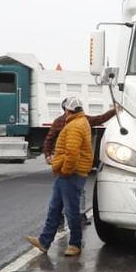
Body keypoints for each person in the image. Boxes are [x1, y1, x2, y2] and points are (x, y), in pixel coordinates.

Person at [26, 96, 94, 257]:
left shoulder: (75, 126)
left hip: (71, 174)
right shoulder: (80, 122)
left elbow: (71, 153)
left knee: (71, 210)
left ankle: (75, 244)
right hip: (70, 173)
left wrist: (64, 171)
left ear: (68, 110)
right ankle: (44, 241)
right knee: (55, 208)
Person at [43, 99, 119, 227]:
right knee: (72, 191)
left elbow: (100, 119)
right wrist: (48, 155)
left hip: (69, 165)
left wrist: (48, 155)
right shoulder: (73, 121)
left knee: (67, 191)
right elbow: (49, 140)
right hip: (68, 164)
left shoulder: (76, 121)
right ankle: (71, 217)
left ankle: (72, 216)